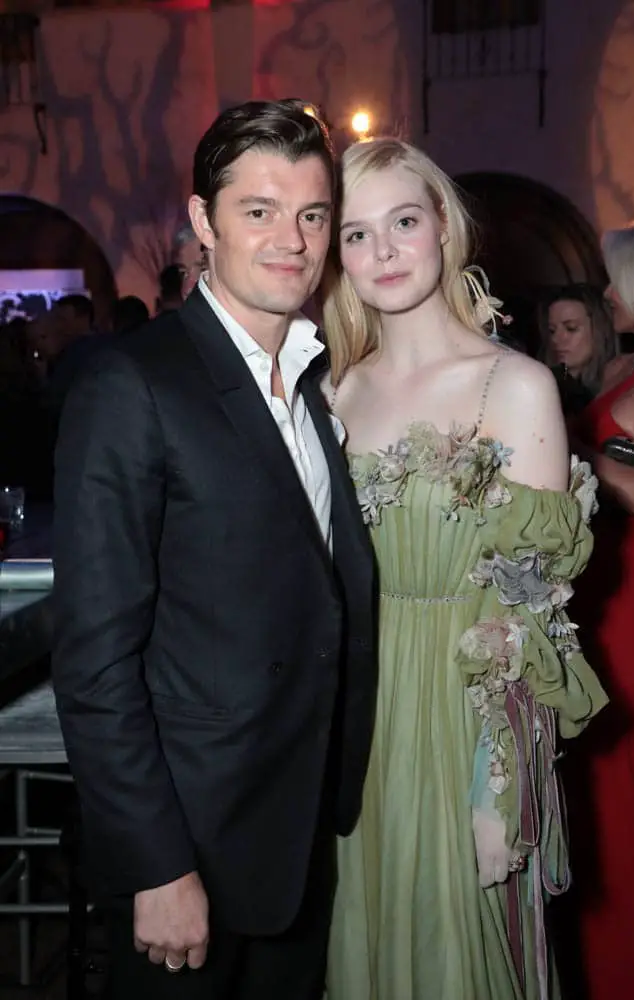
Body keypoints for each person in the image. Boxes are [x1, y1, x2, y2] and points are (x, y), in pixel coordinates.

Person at [51, 99, 377, 1000]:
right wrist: (156, 864)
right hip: (189, 845)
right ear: (203, 221)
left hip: (297, 831)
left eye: (312, 214)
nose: (292, 241)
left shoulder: (312, 381)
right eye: (258, 211)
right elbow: (95, 659)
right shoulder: (133, 384)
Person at [321, 138, 607, 1000]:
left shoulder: (513, 386)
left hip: (458, 722)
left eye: (403, 222)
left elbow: (532, 608)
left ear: (443, 226)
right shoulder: (333, 391)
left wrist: (500, 787)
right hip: (355, 725)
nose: (383, 251)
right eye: (356, 233)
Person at [559, 210, 634, 1000]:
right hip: (604, 595)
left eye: (617, 281)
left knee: (613, 789)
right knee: (593, 795)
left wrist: (570, 450)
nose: (606, 294)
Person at [538, 284, 617, 417]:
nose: (556, 339)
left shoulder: (617, 389)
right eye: (552, 331)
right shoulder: (542, 385)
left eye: (571, 328)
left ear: (600, 331)